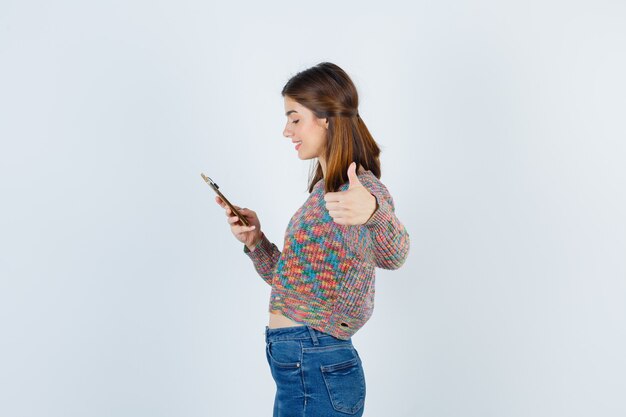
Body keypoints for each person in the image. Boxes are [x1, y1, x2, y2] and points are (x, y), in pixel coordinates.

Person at [215, 62, 410, 417]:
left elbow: (396, 254)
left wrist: (373, 212)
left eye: (294, 118)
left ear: (325, 118)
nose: (286, 131)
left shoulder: (360, 191)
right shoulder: (322, 192)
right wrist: (256, 242)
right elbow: (293, 285)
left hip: (316, 358)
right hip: (303, 362)